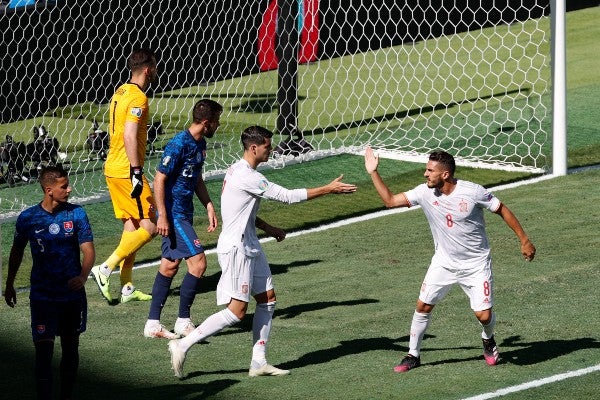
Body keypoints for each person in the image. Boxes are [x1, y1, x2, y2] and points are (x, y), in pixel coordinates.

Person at [167, 125, 357, 378]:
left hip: (250, 244)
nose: (272, 150)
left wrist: (268, 227)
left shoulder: (238, 170)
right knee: (237, 312)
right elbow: (288, 197)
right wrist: (328, 189)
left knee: (267, 299)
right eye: (268, 146)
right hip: (237, 249)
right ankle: (182, 344)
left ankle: (258, 363)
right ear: (254, 148)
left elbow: (241, 210)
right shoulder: (248, 176)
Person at [363, 146, 536, 372]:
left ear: (445, 174)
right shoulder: (424, 192)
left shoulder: (472, 192)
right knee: (423, 305)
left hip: (476, 264)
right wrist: (373, 172)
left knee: (484, 315)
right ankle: (412, 355)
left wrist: (524, 239)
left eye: (430, 170)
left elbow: (501, 209)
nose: (425, 174)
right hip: (444, 262)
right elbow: (390, 201)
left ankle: (488, 338)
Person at [4, 165, 95, 400]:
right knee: (44, 353)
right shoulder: (28, 218)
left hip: (71, 295)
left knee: (70, 348)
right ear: (49, 190)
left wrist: (83, 277)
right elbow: (16, 252)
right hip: (43, 295)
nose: (69, 189)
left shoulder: (76, 214)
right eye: (64, 186)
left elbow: (89, 251)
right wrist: (9, 284)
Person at [143, 99, 222, 339]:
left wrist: (208, 204)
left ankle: (153, 324)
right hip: (173, 214)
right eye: (217, 121)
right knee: (198, 264)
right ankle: (183, 321)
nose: (218, 125)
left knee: (168, 266)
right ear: (206, 122)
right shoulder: (178, 144)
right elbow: (159, 179)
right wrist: (163, 216)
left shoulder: (201, 144)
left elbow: (195, 178)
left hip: (183, 211)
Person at [91, 48, 159, 304]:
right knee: (152, 224)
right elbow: (130, 134)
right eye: (155, 67)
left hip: (113, 168)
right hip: (126, 171)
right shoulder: (139, 98)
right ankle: (105, 268)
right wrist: (136, 171)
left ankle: (127, 286)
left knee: (132, 227)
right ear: (148, 69)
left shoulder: (120, 91)